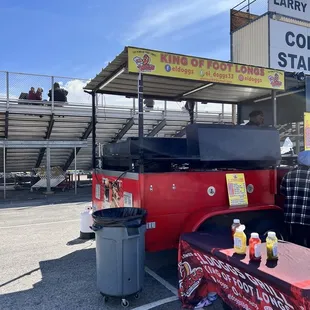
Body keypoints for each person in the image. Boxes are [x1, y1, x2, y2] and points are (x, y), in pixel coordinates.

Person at [280, 150, 310, 247]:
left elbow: (282, 192)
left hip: (292, 218)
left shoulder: (288, 175)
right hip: (308, 218)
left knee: (295, 245)